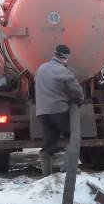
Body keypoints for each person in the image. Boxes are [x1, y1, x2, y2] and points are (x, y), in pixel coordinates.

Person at [35, 44, 85, 176]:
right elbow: (76, 91)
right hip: (58, 111)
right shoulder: (63, 71)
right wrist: (79, 101)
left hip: (42, 112)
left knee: (48, 144)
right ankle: (69, 168)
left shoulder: (41, 68)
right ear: (65, 58)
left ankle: (46, 176)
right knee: (73, 136)